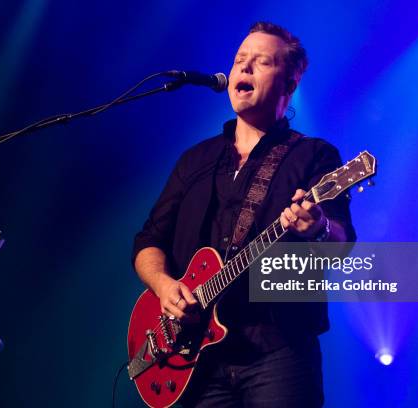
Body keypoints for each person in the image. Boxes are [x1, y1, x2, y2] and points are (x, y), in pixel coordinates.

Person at [132, 21, 356, 407]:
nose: (244, 68)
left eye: (261, 61)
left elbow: (341, 243)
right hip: (195, 357)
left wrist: (317, 227)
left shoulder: (314, 156)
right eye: (239, 60)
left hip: (278, 350)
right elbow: (149, 241)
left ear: (289, 84)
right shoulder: (196, 160)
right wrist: (165, 286)